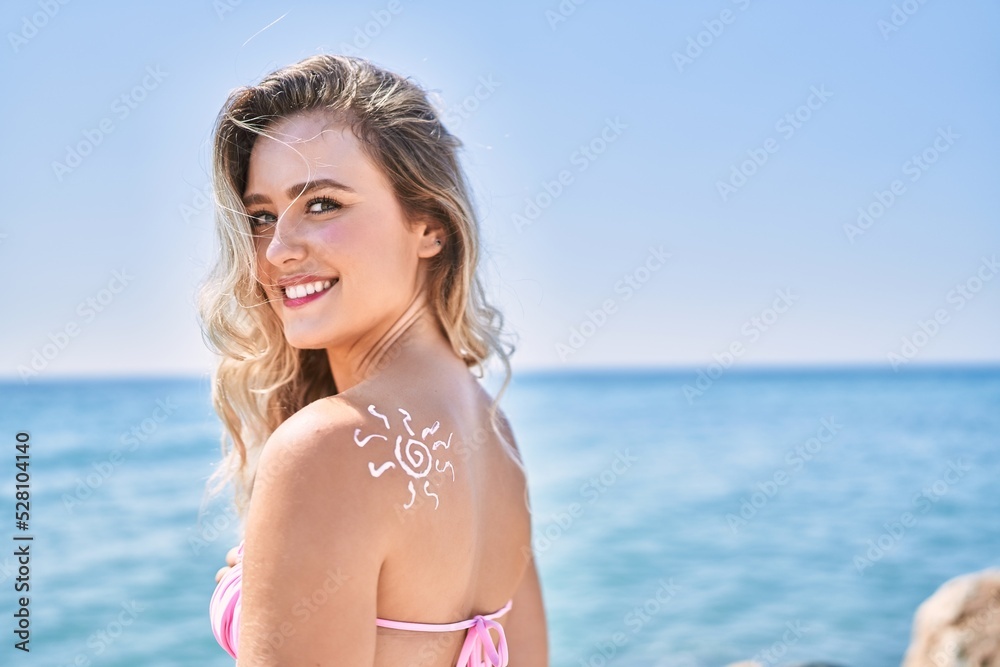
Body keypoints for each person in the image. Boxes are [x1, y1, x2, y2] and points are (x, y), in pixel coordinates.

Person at [196, 54, 548, 666]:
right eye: (260, 216)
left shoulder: (328, 447)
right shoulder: (495, 436)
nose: (277, 249)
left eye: (323, 204)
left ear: (429, 226)